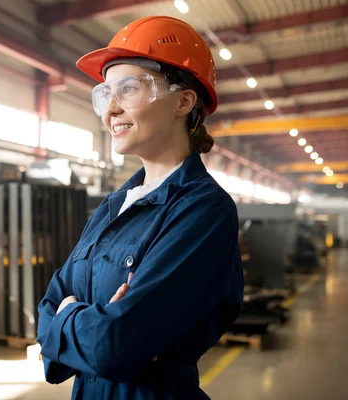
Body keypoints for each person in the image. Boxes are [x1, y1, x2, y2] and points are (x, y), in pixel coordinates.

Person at [35, 16, 244, 400]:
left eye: (128, 89)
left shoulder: (204, 210)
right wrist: (83, 321)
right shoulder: (113, 206)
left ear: (184, 100)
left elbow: (115, 344)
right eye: (105, 93)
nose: (109, 110)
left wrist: (69, 316)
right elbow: (48, 307)